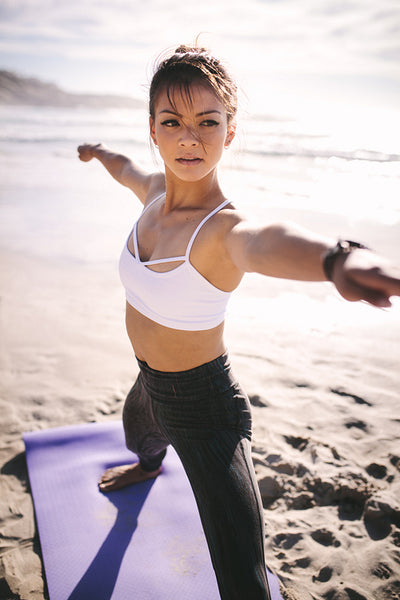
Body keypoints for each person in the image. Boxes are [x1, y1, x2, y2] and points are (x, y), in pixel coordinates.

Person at [77, 44, 400, 600]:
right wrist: (99, 151)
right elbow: (126, 170)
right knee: (138, 437)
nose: (190, 138)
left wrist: (337, 259)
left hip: (204, 410)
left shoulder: (225, 230)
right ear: (153, 130)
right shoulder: (153, 194)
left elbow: (266, 242)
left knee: (239, 569)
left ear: (230, 132)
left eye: (208, 122)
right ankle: (149, 466)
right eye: (172, 122)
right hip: (147, 383)